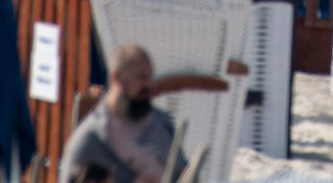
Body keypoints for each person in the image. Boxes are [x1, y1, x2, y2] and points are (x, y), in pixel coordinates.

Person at [59, 44, 233, 183]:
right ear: (116, 77)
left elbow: (183, 172)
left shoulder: (161, 123)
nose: (148, 84)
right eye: (141, 77)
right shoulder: (90, 141)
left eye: (150, 77)